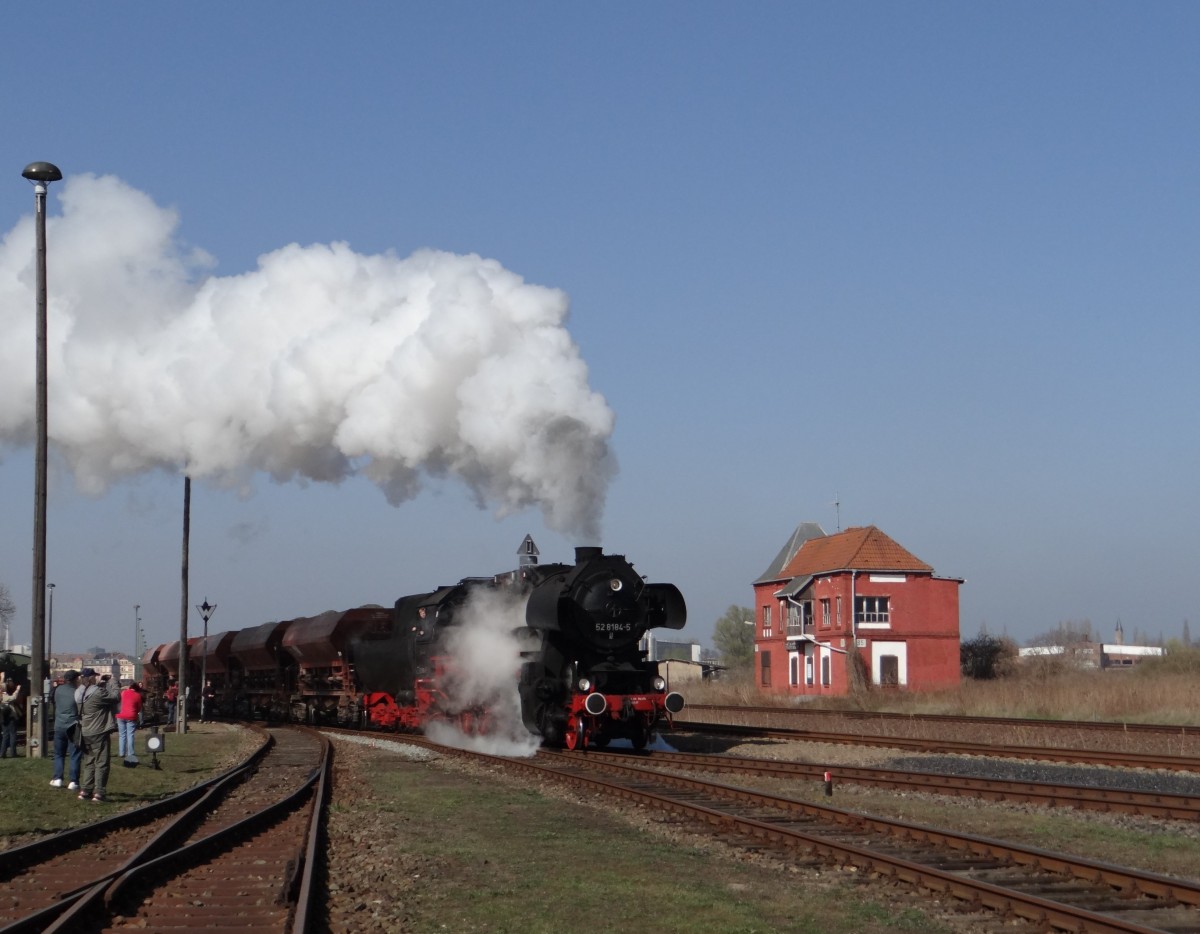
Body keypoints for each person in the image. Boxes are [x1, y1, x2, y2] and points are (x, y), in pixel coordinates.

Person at [75, 668, 120, 802]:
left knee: (89, 762)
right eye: (94, 676)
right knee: (102, 762)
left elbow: (94, 696)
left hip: (85, 731)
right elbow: (116, 697)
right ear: (91, 678)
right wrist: (112, 681)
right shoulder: (98, 693)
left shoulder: (78, 693)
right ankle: (99, 792)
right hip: (99, 731)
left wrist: (100, 685)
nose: (96, 678)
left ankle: (85, 790)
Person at [50, 670, 83, 789]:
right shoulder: (77, 692)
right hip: (73, 725)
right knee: (75, 754)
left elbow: (53, 702)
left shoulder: (58, 690)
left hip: (59, 725)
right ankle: (73, 781)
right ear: (75, 679)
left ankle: (57, 778)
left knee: (59, 754)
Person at [117, 681, 144, 765]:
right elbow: (139, 708)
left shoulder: (124, 693)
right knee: (130, 735)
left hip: (121, 715)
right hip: (131, 716)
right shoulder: (138, 695)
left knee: (122, 735)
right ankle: (130, 753)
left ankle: (121, 752)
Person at [0, 680, 22, 758]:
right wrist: (17, 689)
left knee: (5, 735)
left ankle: (2, 753)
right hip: (10, 718)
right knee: (12, 735)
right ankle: (13, 753)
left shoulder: (3, 695)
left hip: (3, 719)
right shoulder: (3, 696)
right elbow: (13, 697)